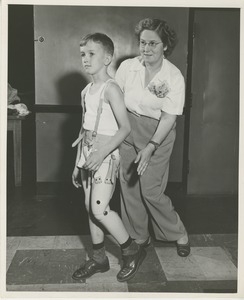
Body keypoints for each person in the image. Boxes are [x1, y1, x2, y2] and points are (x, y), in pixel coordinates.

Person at [71, 33, 146, 283]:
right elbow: (84, 130)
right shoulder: (85, 90)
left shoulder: (111, 89)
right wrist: (77, 163)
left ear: (108, 58)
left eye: (92, 53)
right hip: (87, 157)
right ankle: (99, 258)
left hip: (105, 156)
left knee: (99, 209)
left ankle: (131, 250)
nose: (85, 58)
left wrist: (102, 153)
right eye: (83, 54)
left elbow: (125, 128)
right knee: (89, 209)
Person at [115, 18, 190, 257]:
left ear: (165, 46)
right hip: (128, 128)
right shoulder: (128, 67)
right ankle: (139, 236)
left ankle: (178, 232)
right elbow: (115, 102)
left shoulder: (173, 77)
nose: (146, 49)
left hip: (158, 133)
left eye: (153, 44)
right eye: (142, 43)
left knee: (150, 190)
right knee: (129, 188)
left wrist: (151, 146)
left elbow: (169, 118)